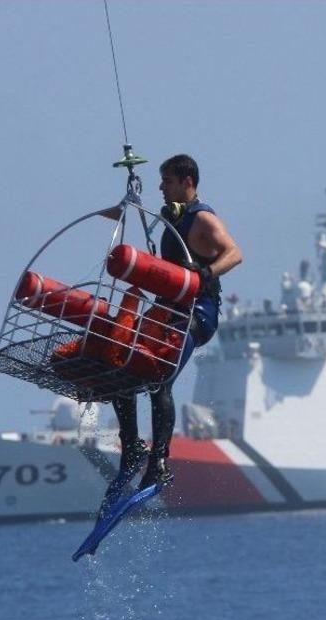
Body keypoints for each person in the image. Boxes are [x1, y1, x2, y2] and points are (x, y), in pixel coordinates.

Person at [100, 154, 242, 512]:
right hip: (170, 309)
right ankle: (131, 450)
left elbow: (234, 253)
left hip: (198, 312)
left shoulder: (202, 218)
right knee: (123, 367)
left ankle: (159, 463)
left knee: (159, 377)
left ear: (187, 181)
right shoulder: (173, 217)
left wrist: (207, 274)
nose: (161, 188)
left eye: (167, 181)